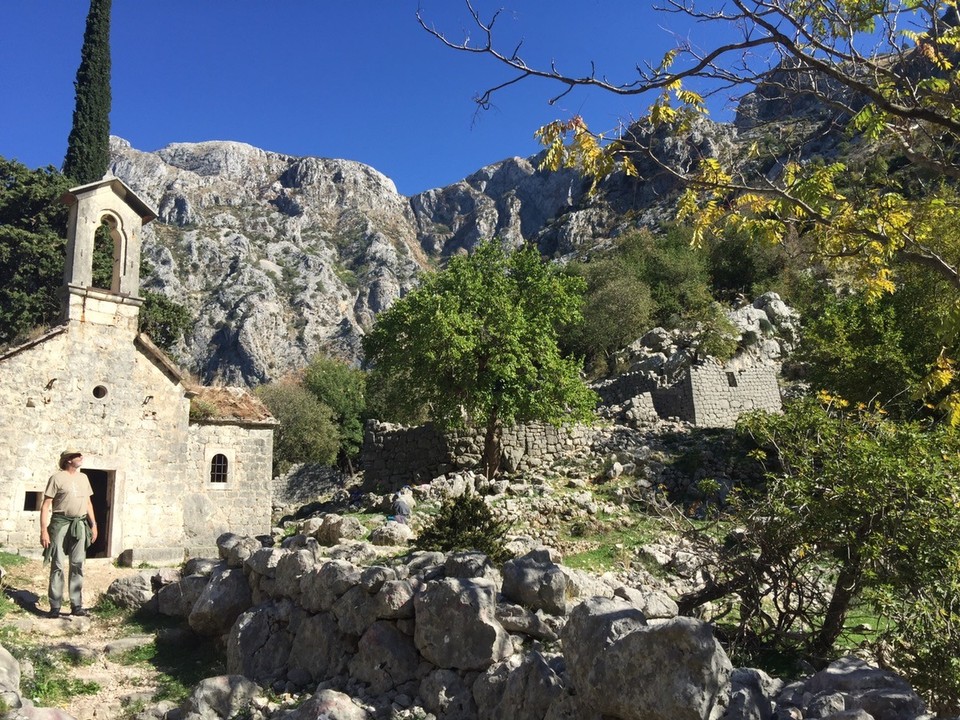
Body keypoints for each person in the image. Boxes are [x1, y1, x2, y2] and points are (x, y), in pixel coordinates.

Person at [40, 450, 97, 618]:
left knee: (77, 563)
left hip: (79, 523)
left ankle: (76, 605)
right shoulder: (56, 478)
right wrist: (44, 530)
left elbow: (88, 502)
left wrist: (93, 525)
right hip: (60, 523)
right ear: (68, 460)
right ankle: (55, 606)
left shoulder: (84, 478)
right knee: (57, 563)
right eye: (77, 456)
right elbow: (46, 505)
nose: (81, 458)